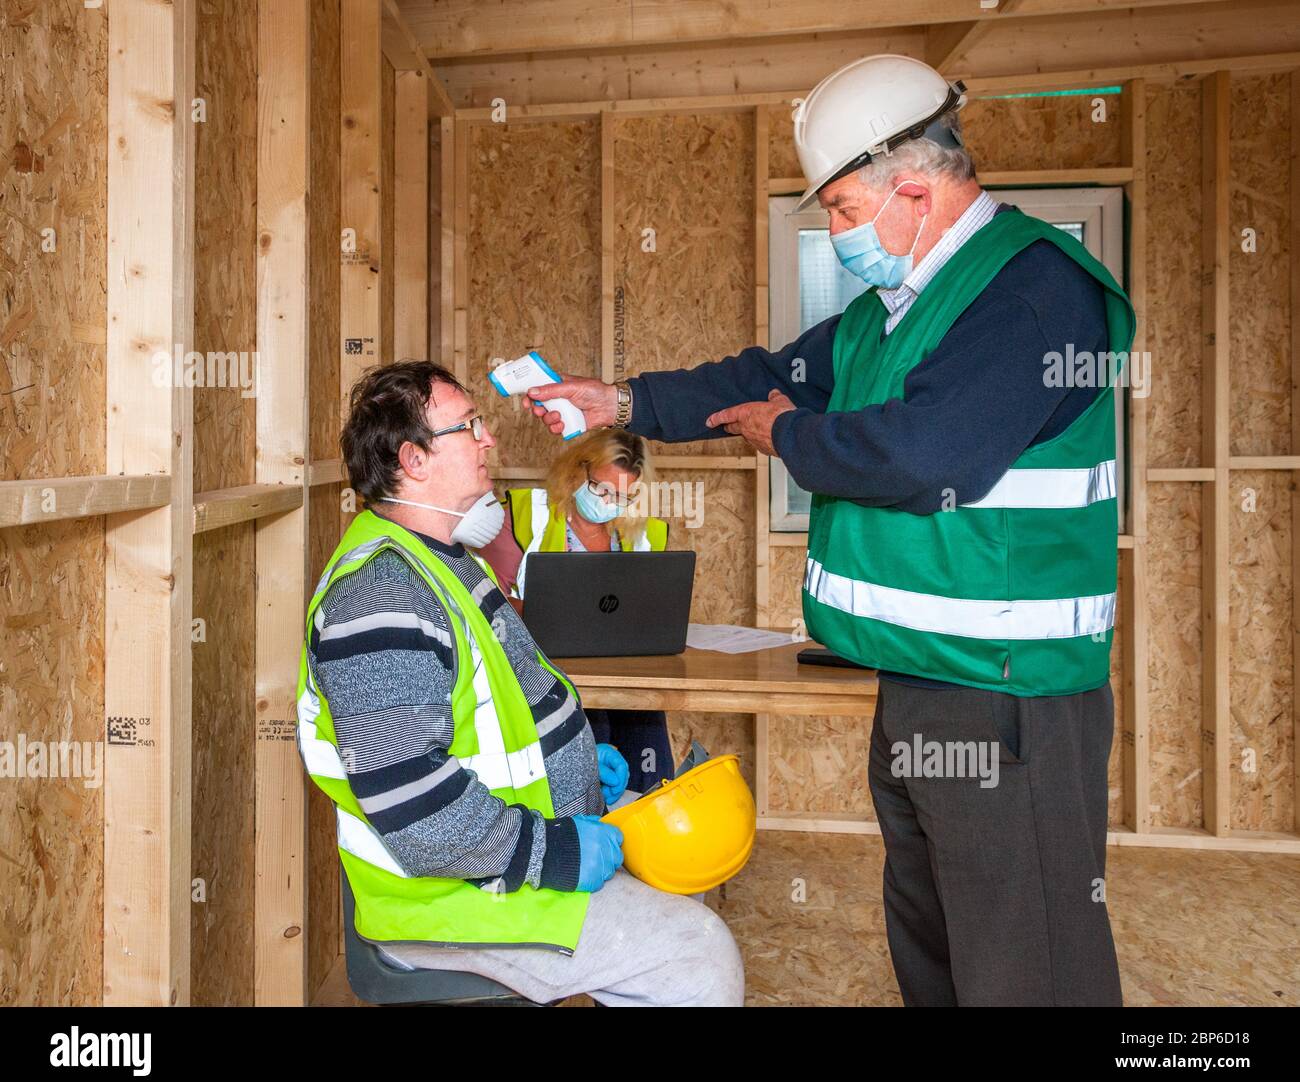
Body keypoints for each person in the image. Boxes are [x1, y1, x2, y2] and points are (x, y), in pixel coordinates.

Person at [520, 54, 1133, 1006]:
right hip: (921, 679)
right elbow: (762, 378)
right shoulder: (888, 316)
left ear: (918, 192)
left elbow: (926, 452)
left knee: (1024, 961)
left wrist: (790, 435)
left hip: (1009, 696)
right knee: (935, 940)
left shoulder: (1031, 294)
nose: (837, 232)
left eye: (844, 210)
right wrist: (622, 400)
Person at [296, 360, 743, 1006]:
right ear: (412, 459)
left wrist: (584, 765)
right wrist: (557, 852)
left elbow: (503, 711)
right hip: (453, 900)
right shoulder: (381, 594)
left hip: (498, 865)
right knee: (698, 957)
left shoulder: (444, 562)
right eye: (469, 427)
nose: (489, 440)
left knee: (681, 869)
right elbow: (419, 811)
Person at [477, 429, 675, 795]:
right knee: (587, 730)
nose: (610, 502)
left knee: (647, 728)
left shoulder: (645, 534)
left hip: (625, 673)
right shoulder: (524, 517)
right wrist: (550, 613)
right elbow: (488, 601)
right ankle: (588, 826)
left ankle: (647, 824)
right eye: (602, 489)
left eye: (624, 496)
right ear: (576, 471)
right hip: (548, 673)